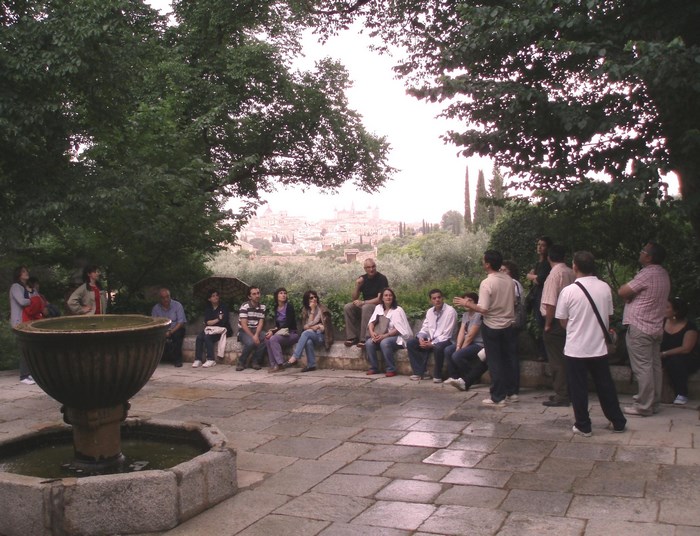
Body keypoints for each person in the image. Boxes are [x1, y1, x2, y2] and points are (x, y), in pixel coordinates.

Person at [555, 251, 627, 437]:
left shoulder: (568, 291)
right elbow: (608, 317)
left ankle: (583, 425)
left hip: (576, 348)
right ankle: (618, 421)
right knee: (605, 385)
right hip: (599, 346)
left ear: (575, 267)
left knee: (578, 388)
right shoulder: (604, 288)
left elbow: (562, 321)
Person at [457, 250, 517, 407]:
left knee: (494, 361)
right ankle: (512, 392)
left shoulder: (487, 283)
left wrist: (467, 304)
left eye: (483, 260)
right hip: (508, 325)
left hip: (492, 326)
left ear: (488, 264)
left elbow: (483, 308)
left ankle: (497, 396)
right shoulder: (509, 280)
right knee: (508, 360)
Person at [618, 241, 671, 417]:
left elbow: (623, 291)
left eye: (643, 251)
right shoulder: (663, 273)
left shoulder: (647, 274)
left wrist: (628, 296)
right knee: (654, 366)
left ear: (649, 257)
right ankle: (654, 402)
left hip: (640, 325)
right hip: (655, 326)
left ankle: (643, 405)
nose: (640, 253)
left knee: (643, 367)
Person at [540, 245, 576, 407]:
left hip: (555, 321)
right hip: (570, 319)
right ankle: (571, 391)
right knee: (567, 357)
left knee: (557, 360)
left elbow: (550, 304)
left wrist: (547, 324)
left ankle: (562, 395)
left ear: (549, 257)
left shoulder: (554, 275)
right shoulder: (570, 272)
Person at [407, 288, 457, 382]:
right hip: (432, 339)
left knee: (438, 347)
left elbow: (447, 334)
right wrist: (421, 338)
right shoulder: (430, 312)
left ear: (442, 298)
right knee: (411, 343)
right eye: (434, 298)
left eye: (439, 297)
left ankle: (438, 375)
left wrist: (432, 344)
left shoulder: (450, 311)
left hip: (447, 340)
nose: (437, 300)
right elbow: (425, 328)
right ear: (431, 300)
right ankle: (420, 372)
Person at [365, 287, 413, 377]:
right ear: (382, 298)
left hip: (397, 337)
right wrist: (372, 333)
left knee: (385, 342)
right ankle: (374, 368)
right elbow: (372, 322)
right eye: (386, 295)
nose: (388, 297)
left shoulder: (398, 310)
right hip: (381, 336)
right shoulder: (378, 308)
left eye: (390, 295)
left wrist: (385, 336)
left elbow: (399, 329)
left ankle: (391, 369)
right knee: (369, 343)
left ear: (393, 297)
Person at [443, 292, 486, 392]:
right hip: (468, 343)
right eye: (464, 300)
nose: (466, 303)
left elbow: (471, 335)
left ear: (475, 302)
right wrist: (458, 345)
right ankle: (455, 377)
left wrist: (461, 349)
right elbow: (462, 331)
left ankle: (472, 377)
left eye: (469, 301)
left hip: (478, 344)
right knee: (448, 350)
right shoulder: (466, 315)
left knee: (457, 355)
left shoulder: (478, 314)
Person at [660, 297, 699, 405]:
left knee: (675, 361)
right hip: (663, 356)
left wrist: (664, 354)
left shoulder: (689, 327)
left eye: (667, 307)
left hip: (684, 358)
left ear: (676, 311)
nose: (664, 309)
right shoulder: (661, 323)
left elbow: (686, 348)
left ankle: (682, 393)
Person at [343, 258, 389, 348]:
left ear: (375, 267)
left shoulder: (382, 279)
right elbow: (354, 297)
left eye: (373, 267)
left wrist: (363, 302)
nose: (371, 269)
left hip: (378, 307)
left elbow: (380, 299)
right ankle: (352, 337)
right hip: (366, 305)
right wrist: (358, 286)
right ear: (365, 269)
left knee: (366, 307)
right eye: (368, 267)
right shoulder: (363, 278)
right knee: (348, 307)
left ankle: (364, 338)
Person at [285, 290, 334, 372]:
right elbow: (305, 326)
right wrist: (312, 311)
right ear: (307, 300)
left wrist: (317, 326)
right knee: (308, 341)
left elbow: (326, 328)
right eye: (311, 298)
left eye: (315, 297)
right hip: (312, 335)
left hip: (322, 337)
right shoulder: (305, 310)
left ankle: (295, 357)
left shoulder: (323, 310)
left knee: (306, 333)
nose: (314, 299)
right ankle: (311, 365)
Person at [9, 266, 36, 384]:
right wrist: (32, 298)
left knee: (30, 348)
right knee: (24, 348)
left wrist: (32, 295)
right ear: (19, 274)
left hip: (28, 321)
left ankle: (30, 373)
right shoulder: (15, 287)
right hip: (19, 322)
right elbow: (22, 301)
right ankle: (24, 376)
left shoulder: (26, 287)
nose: (27, 273)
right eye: (24, 271)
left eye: (27, 270)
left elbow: (37, 296)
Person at [527, 236, 552, 360]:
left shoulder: (547, 263)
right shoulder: (539, 263)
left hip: (542, 297)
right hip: (536, 296)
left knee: (543, 324)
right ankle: (542, 352)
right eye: (538, 244)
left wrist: (530, 276)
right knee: (538, 324)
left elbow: (539, 280)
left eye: (543, 245)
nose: (539, 247)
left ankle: (545, 353)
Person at [193, 289, 230, 368]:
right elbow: (207, 322)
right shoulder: (208, 308)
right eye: (213, 296)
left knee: (207, 337)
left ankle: (211, 359)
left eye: (217, 295)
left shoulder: (223, 307)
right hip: (210, 329)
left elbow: (223, 322)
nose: (216, 297)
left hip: (221, 330)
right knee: (199, 337)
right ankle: (198, 359)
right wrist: (217, 319)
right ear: (209, 299)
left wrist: (213, 321)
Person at [265, 288, 299, 373]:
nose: (283, 295)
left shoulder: (289, 307)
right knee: (267, 338)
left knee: (273, 338)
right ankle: (273, 365)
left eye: (285, 293)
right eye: (281, 293)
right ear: (277, 296)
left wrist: (273, 332)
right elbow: (278, 325)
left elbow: (288, 324)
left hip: (292, 334)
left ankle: (280, 365)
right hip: (282, 333)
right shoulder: (276, 308)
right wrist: (272, 330)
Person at [151, 288, 187, 367]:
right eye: (163, 297)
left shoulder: (177, 305)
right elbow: (154, 323)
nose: (166, 299)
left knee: (177, 336)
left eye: (167, 297)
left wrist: (170, 332)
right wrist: (163, 332)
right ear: (160, 298)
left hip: (176, 328)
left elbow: (181, 322)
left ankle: (177, 360)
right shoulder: (156, 308)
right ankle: (156, 359)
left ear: (170, 296)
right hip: (162, 330)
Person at [236, 286, 267, 371]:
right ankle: (241, 362)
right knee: (250, 342)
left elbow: (261, 322)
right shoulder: (244, 306)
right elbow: (244, 325)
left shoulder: (262, 307)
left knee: (266, 337)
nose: (257, 295)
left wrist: (256, 335)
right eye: (254, 294)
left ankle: (255, 361)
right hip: (244, 331)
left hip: (256, 330)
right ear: (249, 296)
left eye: (258, 293)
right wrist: (253, 337)